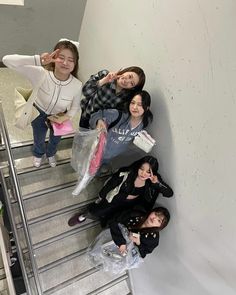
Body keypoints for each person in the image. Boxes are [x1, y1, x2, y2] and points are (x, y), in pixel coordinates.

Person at [2, 39, 82, 168]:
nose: (65, 63)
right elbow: (7, 60)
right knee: (38, 137)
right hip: (39, 113)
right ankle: (38, 154)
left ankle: (51, 154)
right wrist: (38, 60)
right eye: (61, 57)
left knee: (55, 140)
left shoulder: (77, 85)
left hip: (60, 117)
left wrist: (65, 118)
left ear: (75, 63)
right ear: (54, 58)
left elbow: (75, 107)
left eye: (71, 59)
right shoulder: (40, 73)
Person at [68, 155, 173, 227]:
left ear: (152, 173)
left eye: (148, 172)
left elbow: (169, 193)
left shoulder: (152, 181)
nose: (143, 173)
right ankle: (82, 216)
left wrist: (157, 183)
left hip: (130, 205)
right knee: (98, 210)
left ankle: (102, 218)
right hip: (116, 198)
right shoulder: (127, 172)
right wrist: (102, 195)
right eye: (141, 169)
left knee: (113, 217)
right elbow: (111, 184)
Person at [87, 207, 170, 274]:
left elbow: (143, 253)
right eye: (155, 214)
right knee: (100, 248)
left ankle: (102, 261)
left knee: (110, 258)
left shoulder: (153, 239)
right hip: (114, 237)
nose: (154, 219)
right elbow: (113, 221)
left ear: (160, 226)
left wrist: (138, 243)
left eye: (159, 220)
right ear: (152, 211)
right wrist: (121, 243)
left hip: (122, 252)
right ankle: (95, 253)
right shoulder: (136, 214)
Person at [90, 90, 153, 164]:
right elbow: (96, 115)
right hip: (95, 151)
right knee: (84, 171)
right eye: (132, 103)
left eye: (139, 105)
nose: (134, 107)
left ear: (147, 108)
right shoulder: (117, 115)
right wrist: (98, 120)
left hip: (111, 157)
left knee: (96, 172)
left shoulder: (144, 123)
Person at [80, 66, 146, 128]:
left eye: (132, 83)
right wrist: (104, 80)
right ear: (126, 71)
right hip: (87, 114)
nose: (127, 81)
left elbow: (117, 113)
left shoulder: (127, 96)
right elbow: (85, 91)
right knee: (81, 134)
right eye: (129, 76)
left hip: (101, 123)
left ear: (132, 88)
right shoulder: (104, 74)